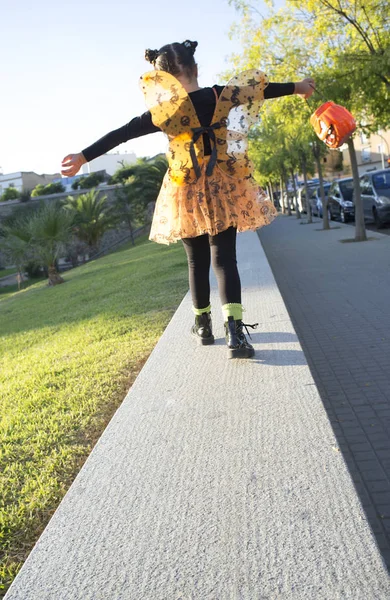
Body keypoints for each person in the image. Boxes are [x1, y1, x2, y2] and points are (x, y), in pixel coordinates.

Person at [62, 40, 314, 359]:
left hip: (185, 190)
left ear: (164, 78)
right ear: (195, 69)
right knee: (225, 260)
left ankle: (203, 326)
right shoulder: (221, 94)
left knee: (196, 262)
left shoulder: (165, 112)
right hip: (224, 184)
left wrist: (83, 157)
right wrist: (299, 87)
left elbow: (122, 133)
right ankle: (235, 333)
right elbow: (261, 90)